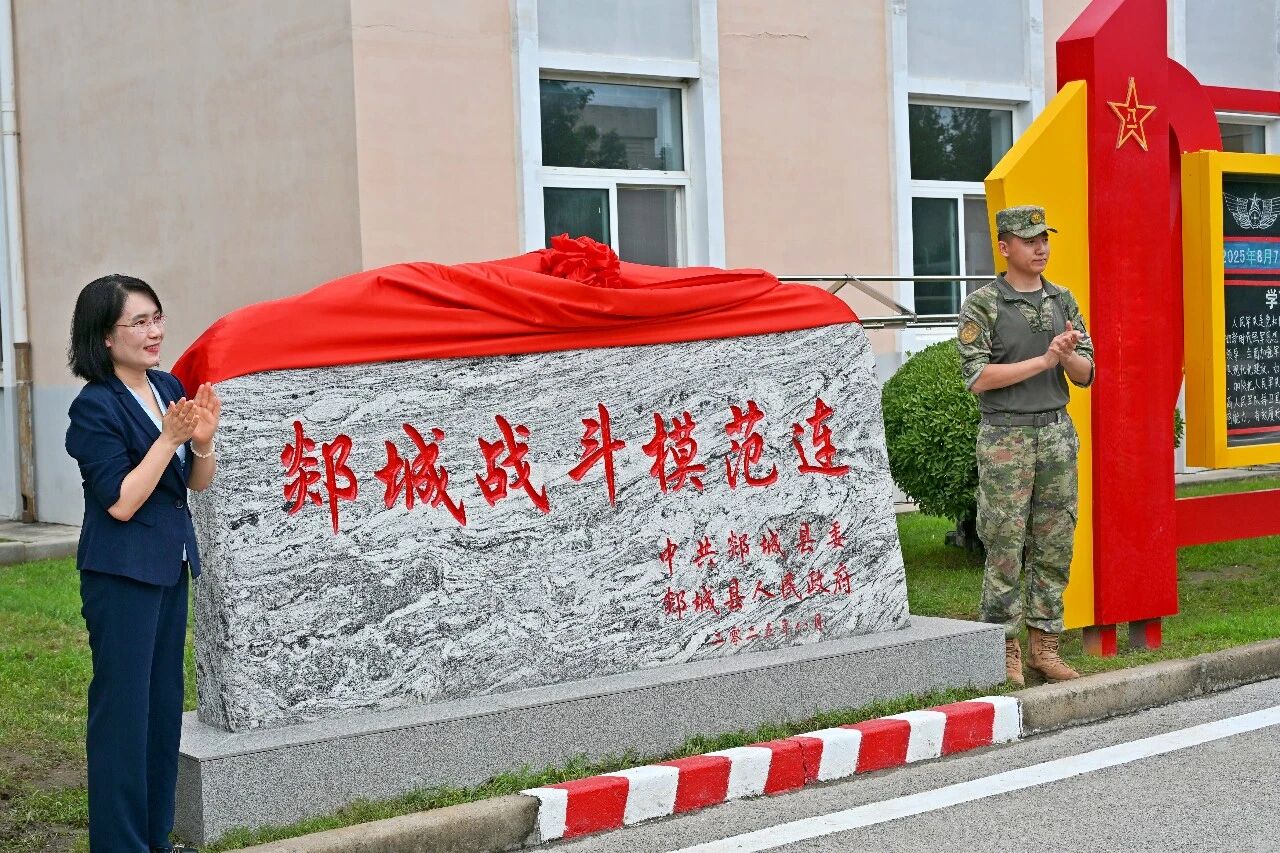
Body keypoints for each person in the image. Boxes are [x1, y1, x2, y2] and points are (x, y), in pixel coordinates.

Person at [65, 274, 221, 853]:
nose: (154, 332)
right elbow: (122, 501)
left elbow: (193, 485)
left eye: (157, 317)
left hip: (169, 565)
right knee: (123, 720)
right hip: (121, 576)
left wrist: (200, 441)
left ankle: (155, 839)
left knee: (160, 716)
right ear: (105, 336)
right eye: (139, 322)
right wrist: (166, 439)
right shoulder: (94, 407)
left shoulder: (166, 385)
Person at [955, 206, 1094, 686]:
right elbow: (977, 377)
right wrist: (1044, 360)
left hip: (1055, 433)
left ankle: (1045, 646)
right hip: (1006, 437)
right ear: (1004, 246)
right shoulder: (984, 304)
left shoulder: (1063, 300)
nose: (1040, 248)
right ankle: (1004, 647)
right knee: (1005, 543)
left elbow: (1087, 374)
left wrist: (1068, 357)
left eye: (1044, 239)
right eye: (1029, 239)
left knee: (1055, 541)